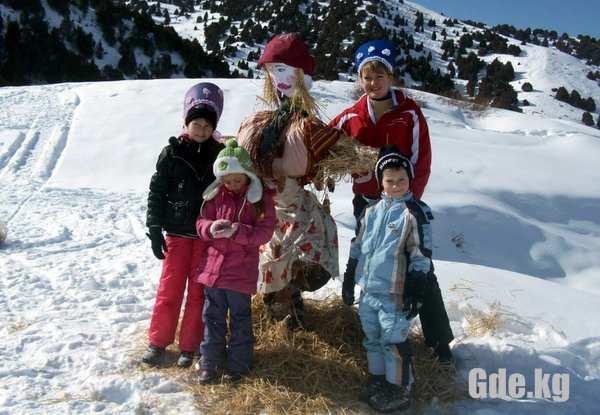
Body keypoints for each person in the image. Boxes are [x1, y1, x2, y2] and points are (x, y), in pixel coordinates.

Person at [330, 39, 454, 363]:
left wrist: (410, 204)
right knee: (372, 266)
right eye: (367, 77)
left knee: (420, 266)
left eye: (379, 76)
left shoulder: (409, 114)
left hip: (403, 205)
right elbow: (324, 142)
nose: (373, 83)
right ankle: (375, 335)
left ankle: (439, 342)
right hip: (367, 204)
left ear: (391, 76)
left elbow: (421, 161)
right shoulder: (351, 116)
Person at [235, 33, 351, 330]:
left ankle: (293, 312)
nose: (277, 78)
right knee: (271, 258)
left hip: (295, 208)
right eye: (272, 71)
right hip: (267, 209)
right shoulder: (260, 122)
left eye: (283, 70)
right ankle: (281, 312)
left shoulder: (306, 126)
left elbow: (330, 157)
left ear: (300, 74)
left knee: (298, 258)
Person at [344, 145, 434, 412]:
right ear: (380, 182)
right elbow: (358, 245)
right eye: (390, 181)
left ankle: (399, 388)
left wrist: (416, 288)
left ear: (410, 179)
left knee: (393, 342)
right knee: (372, 339)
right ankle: (378, 380)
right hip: (369, 291)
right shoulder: (371, 210)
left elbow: (421, 255)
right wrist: (349, 277)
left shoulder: (414, 213)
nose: (396, 186)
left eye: (401, 180)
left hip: (395, 293)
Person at [143, 82, 225, 368]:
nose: (201, 130)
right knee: (170, 289)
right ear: (186, 122)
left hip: (205, 236)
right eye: (196, 123)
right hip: (176, 234)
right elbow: (157, 192)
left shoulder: (219, 155)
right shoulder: (172, 153)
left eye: (207, 125)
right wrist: (155, 228)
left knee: (199, 292)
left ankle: (190, 345)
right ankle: (158, 342)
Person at [195, 139, 276, 384]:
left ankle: (239, 364)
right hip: (214, 271)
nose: (231, 185)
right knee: (212, 318)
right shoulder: (216, 195)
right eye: (226, 181)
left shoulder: (259, 199)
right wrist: (210, 228)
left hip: (240, 272)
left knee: (240, 319)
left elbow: (264, 232)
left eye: (237, 180)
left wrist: (236, 231)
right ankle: (210, 362)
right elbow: (201, 221)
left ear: (248, 174)